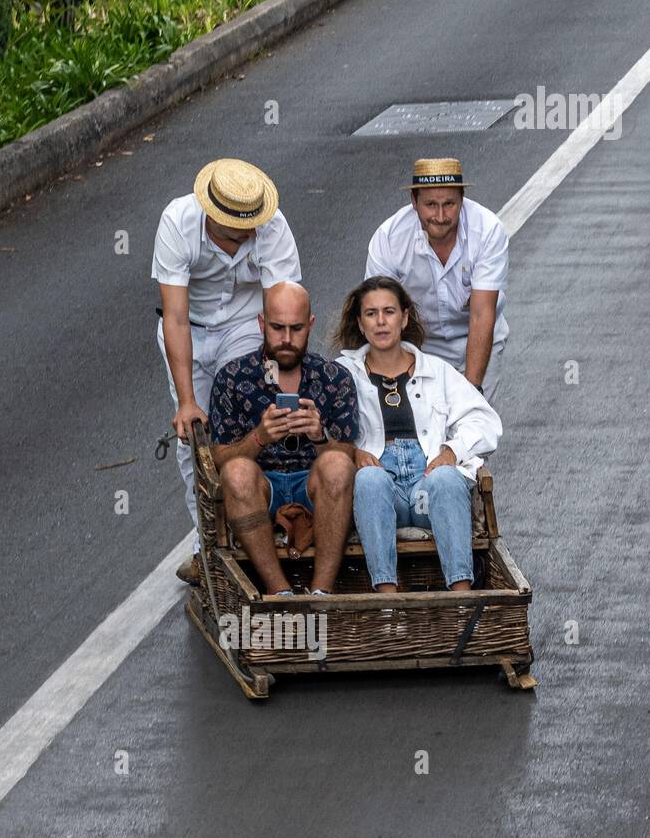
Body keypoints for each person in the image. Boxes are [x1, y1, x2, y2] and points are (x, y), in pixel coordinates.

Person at [152, 158, 302, 583]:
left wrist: (282, 379)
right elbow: (174, 318)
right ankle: (207, 547)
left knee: (251, 425)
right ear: (214, 219)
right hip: (190, 332)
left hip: (245, 326)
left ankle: (263, 529)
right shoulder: (178, 223)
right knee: (195, 441)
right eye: (243, 226)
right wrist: (186, 401)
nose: (254, 231)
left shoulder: (272, 226)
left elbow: (282, 310)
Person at [335, 277, 501, 593]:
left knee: (448, 478)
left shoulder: (436, 370)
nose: (381, 321)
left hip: (428, 489)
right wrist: (351, 452)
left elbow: (485, 421)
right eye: (371, 314)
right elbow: (323, 427)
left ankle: (461, 597)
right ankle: (388, 600)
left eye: (389, 311)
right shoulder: (343, 373)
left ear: (405, 317)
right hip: (385, 495)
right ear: (360, 322)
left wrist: (452, 450)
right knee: (368, 479)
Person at [208, 282, 357, 597]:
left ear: (310, 325)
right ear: (262, 323)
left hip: (312, 484)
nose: (286, 339)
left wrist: (319, 437)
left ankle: (321, 594)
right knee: (236, 471)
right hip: (263, 487)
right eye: (277, 328)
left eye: (296, 328)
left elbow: (346, 455)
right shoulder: (232, 378)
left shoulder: (335, 378)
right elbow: (220, 458)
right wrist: (259, 438)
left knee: (336, 464)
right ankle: (280, 592)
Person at [365, 157, 508, 403]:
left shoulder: (488, 230)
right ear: (414, 203)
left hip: (475, 337)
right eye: (431, 205)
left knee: (474, 433)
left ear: (462, 200)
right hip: (418, 343)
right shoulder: (389, 238)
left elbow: (481, 315)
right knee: (421, 429)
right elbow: (379, 314)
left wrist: (471, 393)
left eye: (449, 204)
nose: (440, 216)